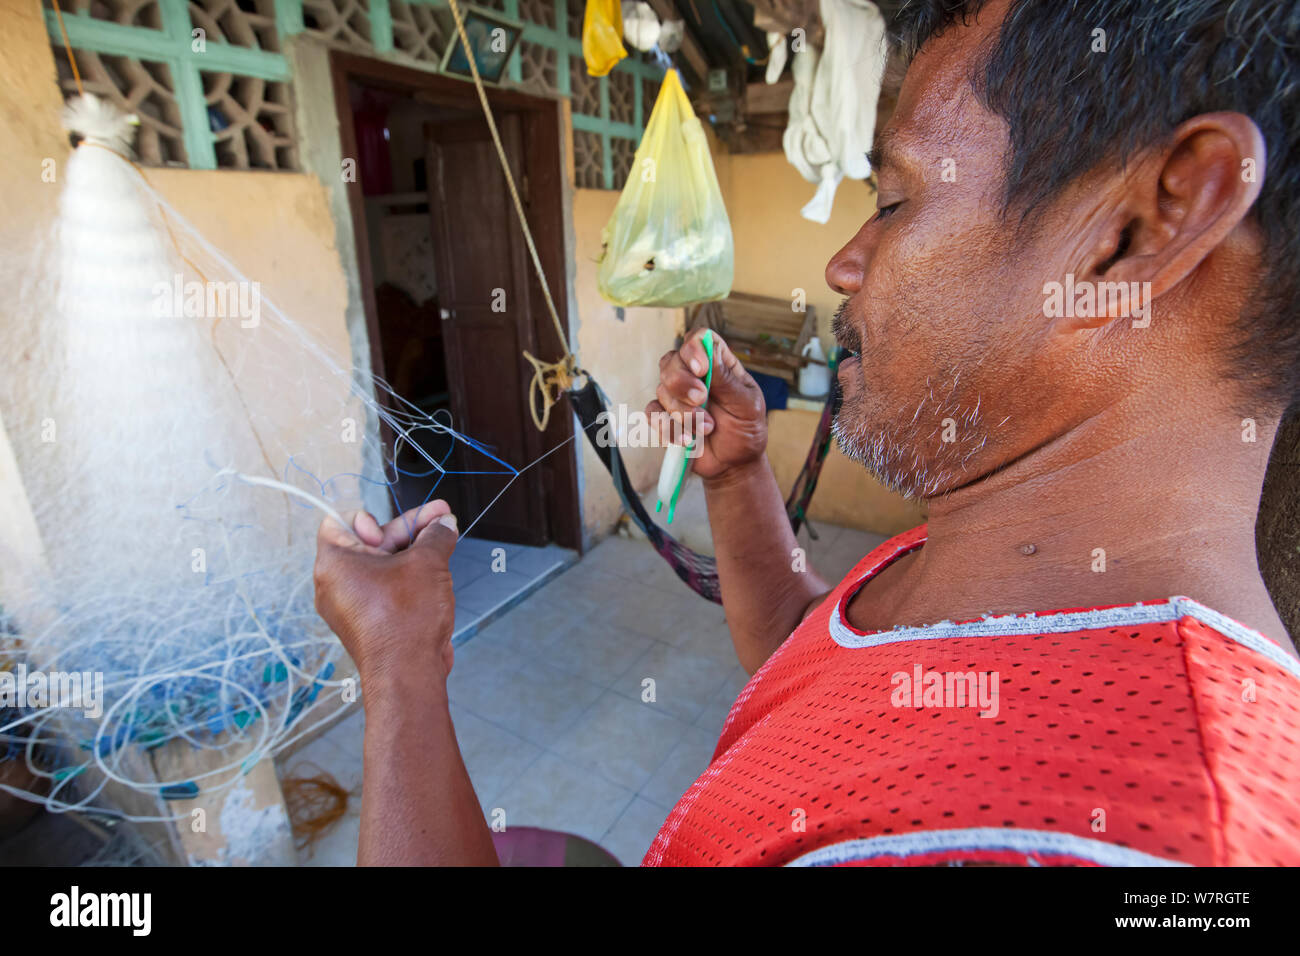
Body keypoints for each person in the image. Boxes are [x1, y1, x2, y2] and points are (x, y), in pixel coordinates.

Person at [313, 0, 1300, 866]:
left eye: (897, 201)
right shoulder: (1006, 555)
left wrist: (401, 667)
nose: (843, 262)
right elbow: (810, 654)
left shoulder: (1085, 835)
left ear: (1141, 229)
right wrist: (738, 471)